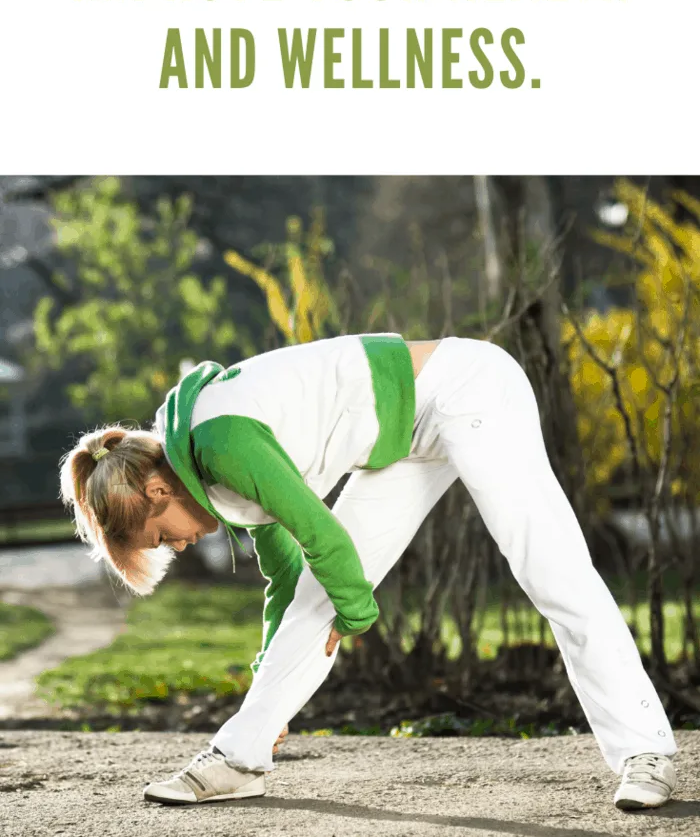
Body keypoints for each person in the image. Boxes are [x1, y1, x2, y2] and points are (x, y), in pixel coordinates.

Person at [60, 333, 678, 811]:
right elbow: (287, 580)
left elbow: (319, 532)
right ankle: (240, 758)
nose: (180, 546)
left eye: (162, 537)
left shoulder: (224, 443)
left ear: (160, 489)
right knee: (314, 599)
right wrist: (269, 677)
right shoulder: (210, 474)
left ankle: (645, 752)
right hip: (402, 437)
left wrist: (357, 613)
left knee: (550, 570)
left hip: (466, 388)